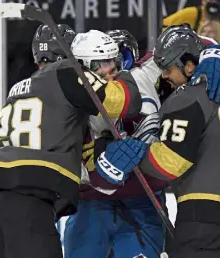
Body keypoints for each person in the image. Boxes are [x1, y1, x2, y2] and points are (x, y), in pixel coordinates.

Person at [94, 24, 220, 258]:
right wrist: (218, 54)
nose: (164, 75)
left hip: (207, 209)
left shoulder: (186, 98)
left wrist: (137, 153)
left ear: (189, 65)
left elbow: (169, 163)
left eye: (168, 68)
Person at [0, 25, 143, 258]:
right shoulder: (68, 73)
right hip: (29, 201)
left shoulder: (20, 87)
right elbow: (128, 103)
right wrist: (124, 71)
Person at [64, 29, 167, 258]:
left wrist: (213, 57)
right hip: (90, 203)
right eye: (103, 62)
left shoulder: (149, 72)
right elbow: (64, 157)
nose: (112, 68)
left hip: (143, 198)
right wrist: (99, 171)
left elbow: (189, 42)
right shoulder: (71, 96)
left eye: (116, 60)